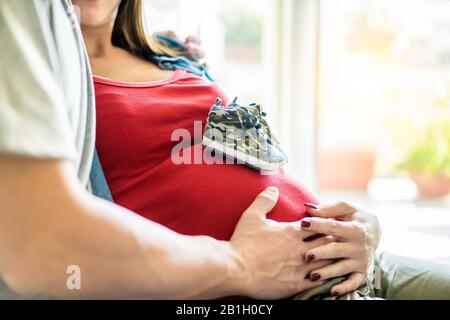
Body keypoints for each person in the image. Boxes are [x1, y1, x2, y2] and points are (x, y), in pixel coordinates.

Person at [0, 0, 356, 300]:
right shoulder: (44, 75)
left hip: (341, 260)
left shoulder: (175, 55)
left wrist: (358, 232)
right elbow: (44, 243)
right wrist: (242, 262)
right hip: (257, 286)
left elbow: (262, 165)